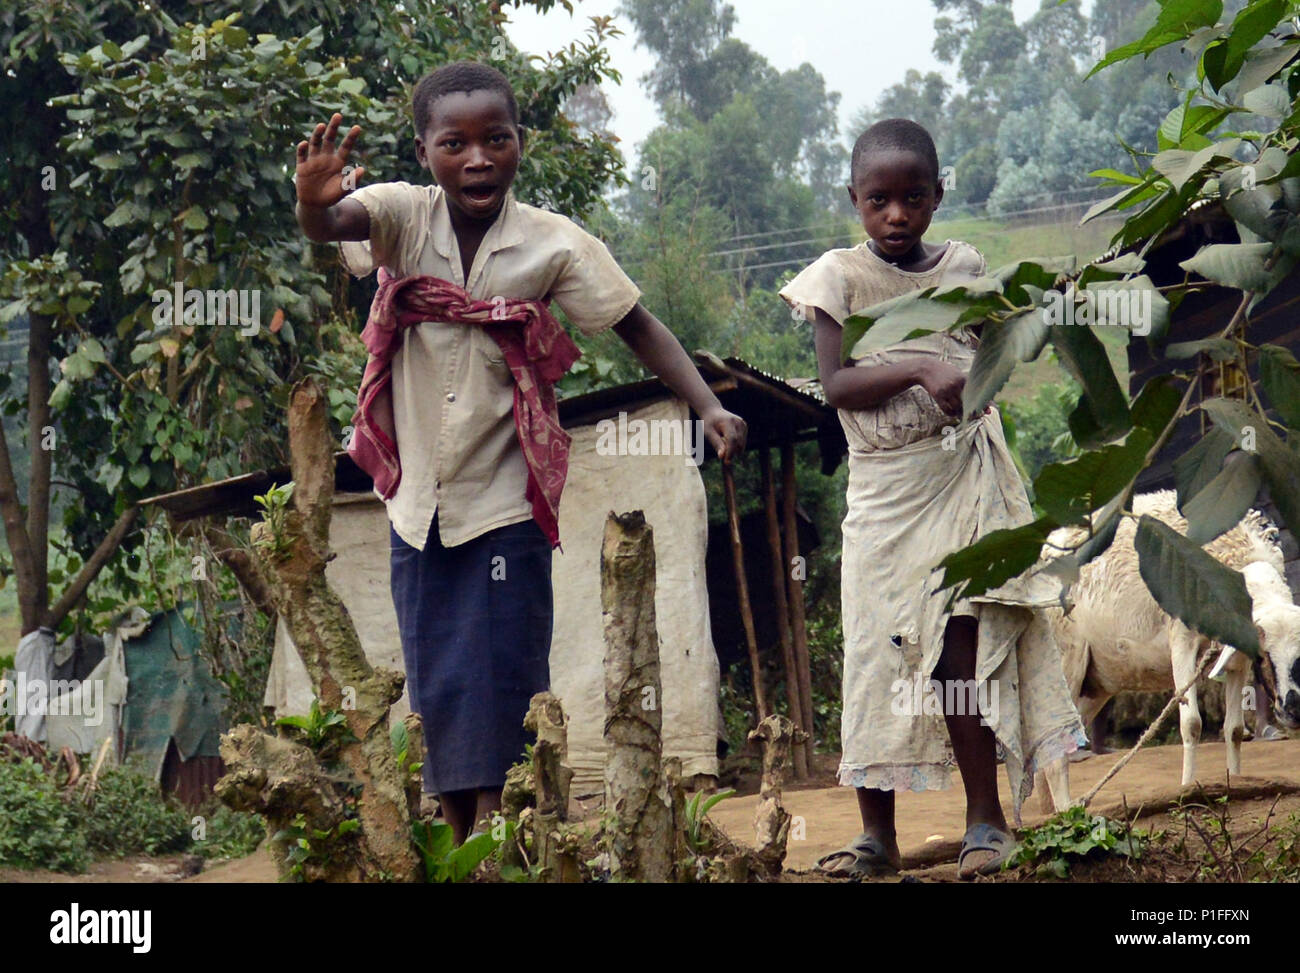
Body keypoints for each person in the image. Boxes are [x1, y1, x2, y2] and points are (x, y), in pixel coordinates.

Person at [293, 60, 747, 844]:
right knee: (438, 679)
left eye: (495, 140)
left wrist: (706, 404)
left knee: (505, 675)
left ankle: (506, 836)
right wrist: (311, 200)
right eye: (454, 143)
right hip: (417, 509)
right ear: (425, 151)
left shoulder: (551, 244)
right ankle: (456, 832)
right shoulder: (402, 217)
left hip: (506, 501)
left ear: (519, 144)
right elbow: (337, 225)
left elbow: (636, 323)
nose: (477, 158)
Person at [779, 118, 1085, 879]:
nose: (896, 215)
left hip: (960, 480)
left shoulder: (965, 266)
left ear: (937, 195)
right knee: (876, 659)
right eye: (878, 199)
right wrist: (919, 368)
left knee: (960, 648)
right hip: (884, 497)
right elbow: (838, 385)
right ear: (853, 200)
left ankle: (986, 821)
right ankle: (876, 838)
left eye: (913, 197)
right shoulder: (836, 278)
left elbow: (992, 355)